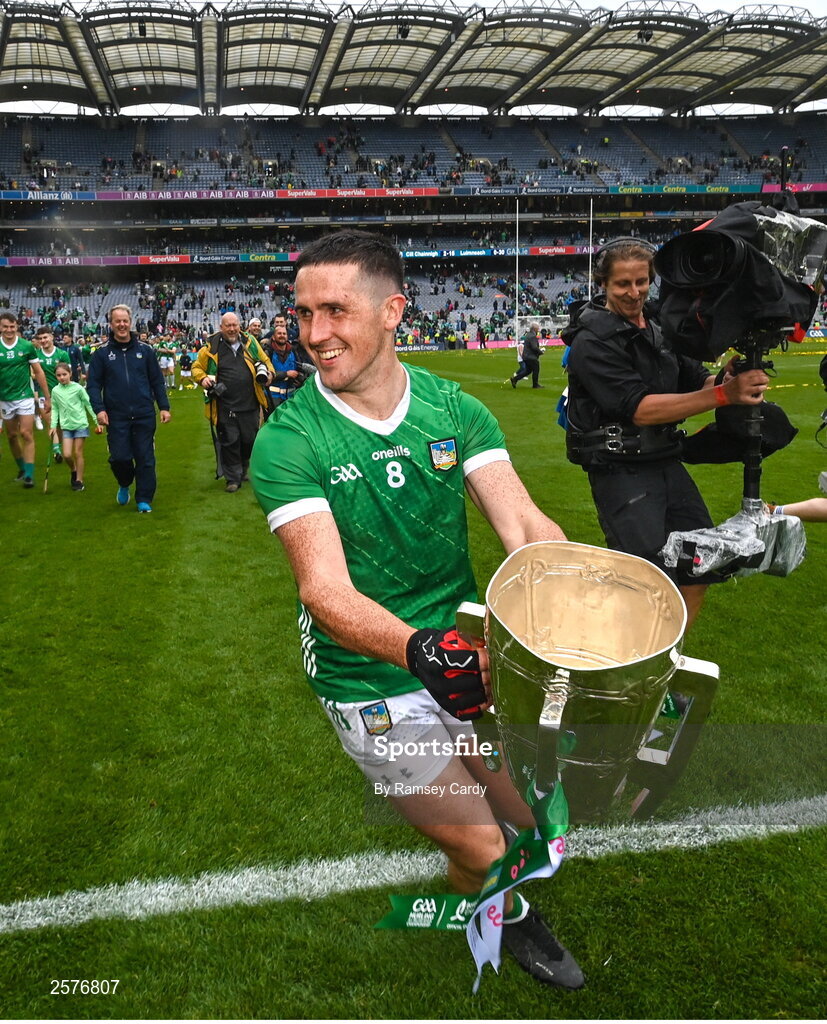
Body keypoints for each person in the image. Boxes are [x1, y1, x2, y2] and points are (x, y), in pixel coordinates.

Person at [250, 231, 583, 990]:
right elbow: (325, 594)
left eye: (334, 310)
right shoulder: (289, 438)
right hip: (371, 680)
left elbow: (524, 524)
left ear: (394, 310)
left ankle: (500, 873)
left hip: (461, 656)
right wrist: (423, 653)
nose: (312, 335)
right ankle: (496, 905)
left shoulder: (448, 405)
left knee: (535, 826)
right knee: (485, 851)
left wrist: (563, 587)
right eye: (302, 313)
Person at [563, 240, 769, 626]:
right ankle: (634, 672)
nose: (634, 292)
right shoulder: (590, 342)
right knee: (644, 582)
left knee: (700, 565)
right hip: (622, 472)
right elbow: (640, 409)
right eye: (623, 284)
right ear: (603, 284)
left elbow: (695, 378)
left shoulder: (659, 324)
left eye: (642, 282)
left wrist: (725, 377)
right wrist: (724, 395)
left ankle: (669, 662)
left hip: (666, 463)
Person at [86, 304, 171, 513]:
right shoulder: (101, 354)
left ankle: (144, 499)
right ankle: (124, 482)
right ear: (111, 324)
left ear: (130, 322)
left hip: (143, 413)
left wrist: (164, 407)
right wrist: (99, 409)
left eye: (125, 320)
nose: (122, 324)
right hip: (116, 416)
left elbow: (157, 381)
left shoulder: (146, 350)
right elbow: (93, 385)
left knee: (145, 458)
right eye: (118, 321)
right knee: (120, 458)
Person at [192, 312, 273, 493]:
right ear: (221, 327)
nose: (231, 329)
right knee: (230, 442)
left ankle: (243, 468)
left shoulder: (250, 342)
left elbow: (266, 361)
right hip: (224, 405)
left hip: (250, 404)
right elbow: (196, 367)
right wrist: (203, 378)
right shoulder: (212, 346)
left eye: (234, 325)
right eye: (227, 325)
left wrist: (269, 374)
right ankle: (232, 479)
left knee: (249, 441)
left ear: (240, 326)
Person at [0, 310, 51, 488]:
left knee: (26, 433)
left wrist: (46, 396)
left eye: (12, 326)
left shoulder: (26, 346)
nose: (9, 330)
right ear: (0, 327)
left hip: (25, 396)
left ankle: (29, 475)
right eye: (5, 326)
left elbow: (38, 372)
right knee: (12, 435)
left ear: (17, 327)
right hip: (5, 397)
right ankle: (22, 469)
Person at [49, 362, 102, 491]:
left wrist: (97, 421)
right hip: (66, 426)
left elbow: (88, 404)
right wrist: (53, 426)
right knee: (67, 455)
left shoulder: (78, 388)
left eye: (64, 374)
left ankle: (79, 480)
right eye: (59, 375)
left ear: (70, 374)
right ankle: (73, 470)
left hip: (80, 424)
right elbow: (55, 409)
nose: (62, 377)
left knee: (78, 452)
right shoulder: (55, 391)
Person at [33, 326, 69, 462]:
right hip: (44, 394)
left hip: (61, 394)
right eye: (40, 338)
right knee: (51, 423)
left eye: (45, 337)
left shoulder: (62, 354)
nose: (43, 340)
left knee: (61, 424)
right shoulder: (36, 355)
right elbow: (32, 373)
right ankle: (56, 450)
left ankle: (59, 445)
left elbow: (67, 375)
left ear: (51, 337)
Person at [265, 323, 314, 412]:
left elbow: (299, 370)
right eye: (279, 333)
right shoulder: (268, 352)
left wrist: (300, 380)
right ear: (273, 337)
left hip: (290, 398)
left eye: (284, 334)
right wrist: (286, 374)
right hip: (271, 399)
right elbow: (265, 374)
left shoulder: (294, 352)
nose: (282, 336)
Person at [510, 323, 543, 388]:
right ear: (535, 329)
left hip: (526, 356)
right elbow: (534, 347)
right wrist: (540, 352)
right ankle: (535, 385)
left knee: (528, 371)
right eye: (538, 328)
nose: (538, 330)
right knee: (536, 369)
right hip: (531, 357)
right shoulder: (532, 336)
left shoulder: (528, 335)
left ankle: (515, 379)